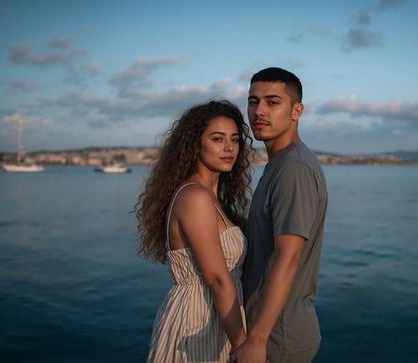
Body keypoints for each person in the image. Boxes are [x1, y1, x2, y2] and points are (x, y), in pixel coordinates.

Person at [136, 100, 253, 362]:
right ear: (194, 145)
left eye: (234, 140)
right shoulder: (195, 197)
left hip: (218, 319)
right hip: (197, 321)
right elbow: (218, 280)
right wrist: (243, 345)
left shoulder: (213, 199)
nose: (229, 148)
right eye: (217, 139)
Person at [231, 67, 327, 363]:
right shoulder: (279, 164)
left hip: (277, 339)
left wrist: (257, 340)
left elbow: (289, 256)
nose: (259, 111)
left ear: (297, 110)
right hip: (273, 334)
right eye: (253, 101)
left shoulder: (293, 168)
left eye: (273, 102)